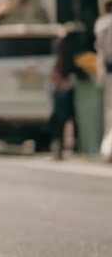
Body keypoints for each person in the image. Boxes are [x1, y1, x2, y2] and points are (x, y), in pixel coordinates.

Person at [48, 28, 82, 160]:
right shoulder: (64, 56)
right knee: (64, 119)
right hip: (63, 91)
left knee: (63, 120)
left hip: (62, 90)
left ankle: (62, 148)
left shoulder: (63, 56)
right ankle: (61, 148)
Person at [96, 0, 112, 158]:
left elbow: (101, 51)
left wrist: (100, 74)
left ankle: (108, 150)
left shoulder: (103, 23)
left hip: (110, 72)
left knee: (110, 111)